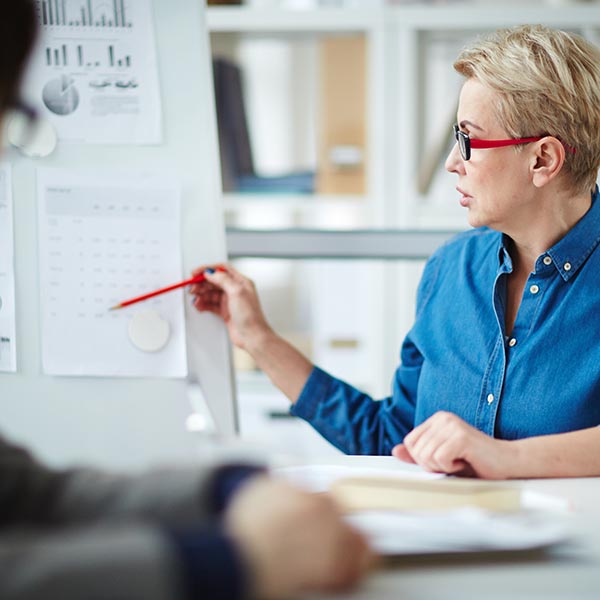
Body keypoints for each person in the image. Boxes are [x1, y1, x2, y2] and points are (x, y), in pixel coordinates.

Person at [0, 2, 370, 599]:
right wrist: (230, 560)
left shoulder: (453, 270)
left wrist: (230, 488)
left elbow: (29, 494)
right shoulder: (452, 276)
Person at [192, 24, 600, 481]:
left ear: (543, 159)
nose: (451, 161)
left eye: (469, 139)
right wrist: (259, 340)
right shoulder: (451, 269)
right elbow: (394, 439)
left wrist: (509, 460)